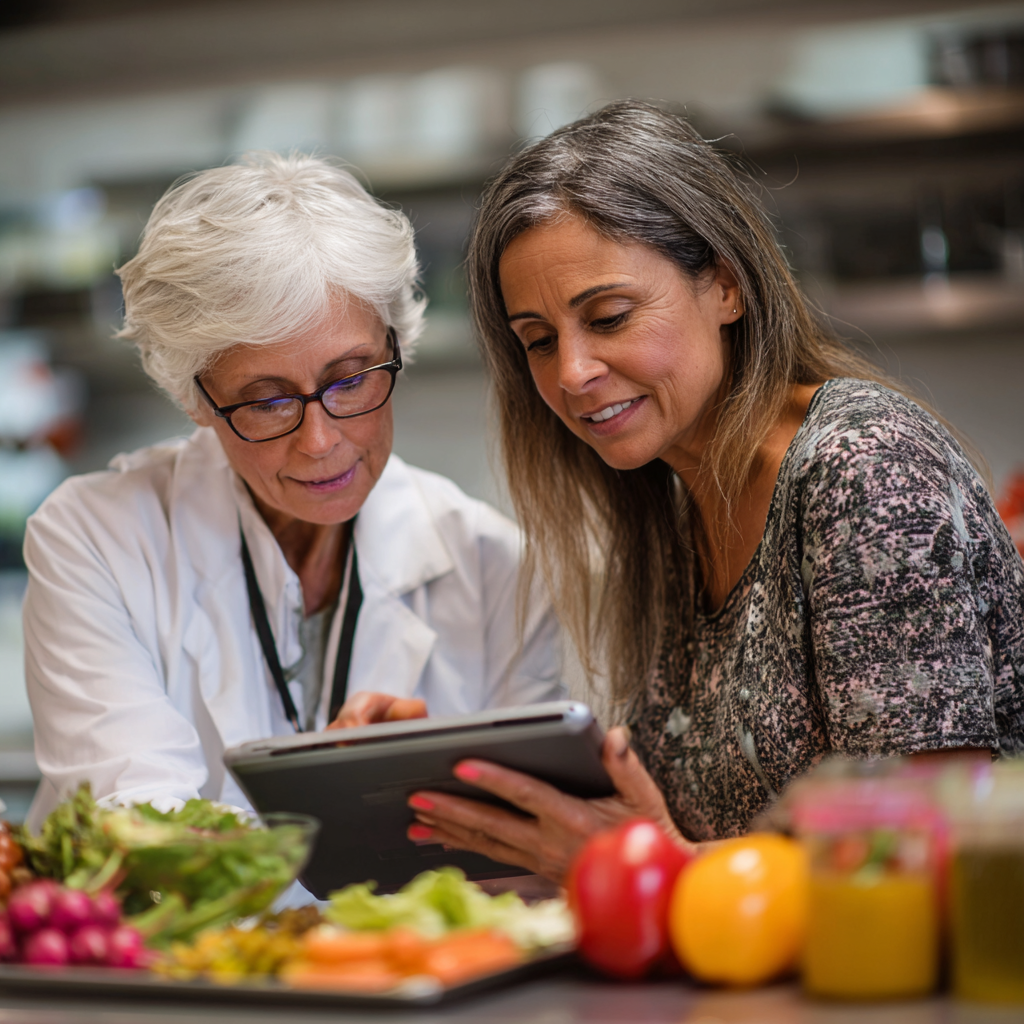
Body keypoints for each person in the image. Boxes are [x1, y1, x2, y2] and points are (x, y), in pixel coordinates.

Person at [403, 101, 1024, 881]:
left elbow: (909, 850)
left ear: (725, 286)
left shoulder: (862, 467)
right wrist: (435, 777)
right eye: (538, 340)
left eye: (610, 316)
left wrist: (652, 867)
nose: (570, 373)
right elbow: (671, 815)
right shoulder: (671, 497)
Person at [23, 153, 563, 831]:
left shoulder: (495, 569)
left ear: (396, 341)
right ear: (195, 396)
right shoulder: (94, 540)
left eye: (350, 379)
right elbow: (141, 833)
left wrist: (414, 796)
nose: (320, 441)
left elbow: (524, 847)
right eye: (266, 400)